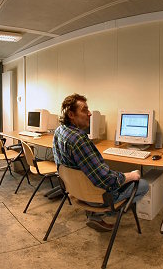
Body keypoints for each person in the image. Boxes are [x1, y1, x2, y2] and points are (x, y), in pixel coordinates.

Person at [53, 93, 148, 232]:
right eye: (84, 110)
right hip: (96, 197)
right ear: (71, 115)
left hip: (75, 192)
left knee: (113, 172)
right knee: (144, 184)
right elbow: (105, 179)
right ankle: (104, 212)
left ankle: (95, 216)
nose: (89, 113)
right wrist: (131, 175)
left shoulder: (59, 131)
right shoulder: (79, 139)